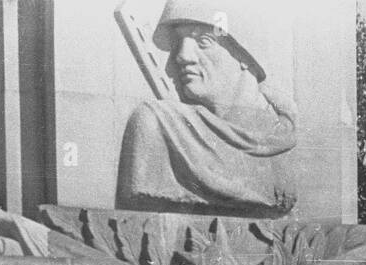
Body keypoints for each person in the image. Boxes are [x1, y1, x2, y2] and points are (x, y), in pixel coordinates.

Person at [116, 0, 297, 216]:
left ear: (246, 56)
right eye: (177, 42)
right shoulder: (157, 124)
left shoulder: (286, 137)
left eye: (203, 41)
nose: (182, 56)